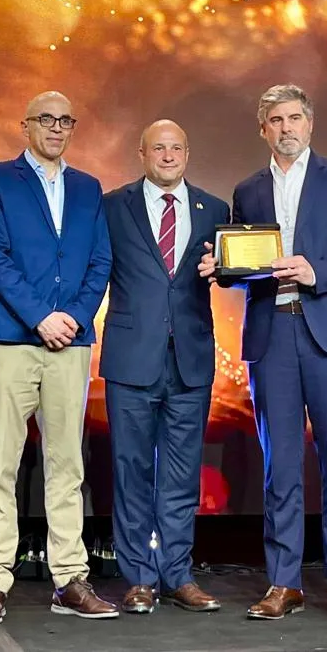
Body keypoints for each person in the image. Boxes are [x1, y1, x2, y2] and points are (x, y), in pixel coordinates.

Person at [198, 84, 327, 623]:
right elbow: (245, 267)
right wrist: (221, 269)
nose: (286, 128)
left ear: (310, 123)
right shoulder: (247, 189)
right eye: (275, 120)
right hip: (272, 336)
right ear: (263, 129)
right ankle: (284, 583)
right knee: (280, 467)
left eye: (295, 117)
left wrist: (316, 271)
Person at [0, 91, 117, 624]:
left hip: (70, 344)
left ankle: (70, 578)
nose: (56, 128)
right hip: (12, 339)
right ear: (25, 125)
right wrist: (40, 317)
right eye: (46, 119)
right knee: (0, 465)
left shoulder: (87, 187)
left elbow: (100, 260)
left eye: (65, 120)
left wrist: (73, 317)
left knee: (66, 466)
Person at [101, 120, 229, 614]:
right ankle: (138, 578)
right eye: (160, 147)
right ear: (142, 153)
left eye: (177, 147)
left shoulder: (215, 209)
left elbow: (234, 274)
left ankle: (177, 574)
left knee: (181, 475)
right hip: (132, 358)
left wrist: (224, 270)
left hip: (190, 360)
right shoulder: (113, 207)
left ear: (188, 152)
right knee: (131, 471)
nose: (169, 155)